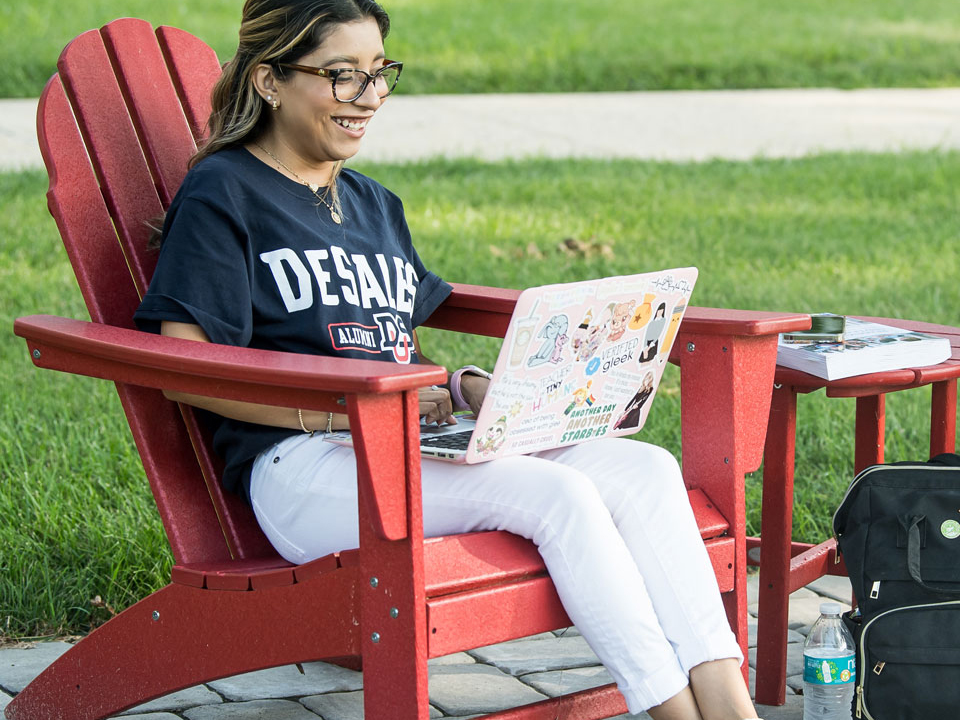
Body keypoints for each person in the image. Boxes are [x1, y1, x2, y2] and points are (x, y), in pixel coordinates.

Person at [134, 2, 763, 718]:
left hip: (405, 446)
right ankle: (673, 711)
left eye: (378, 74)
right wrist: (334, 409)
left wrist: (467, 387)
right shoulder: (225, 194)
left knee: (645, 470)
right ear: (270, 80)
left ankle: (729, 707)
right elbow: (183, 362)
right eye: (342, 77)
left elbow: (394, 345)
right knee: (560, 497)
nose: (369, 98)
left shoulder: (373, 204)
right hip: (300, 467)